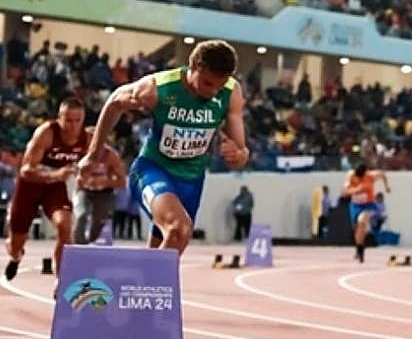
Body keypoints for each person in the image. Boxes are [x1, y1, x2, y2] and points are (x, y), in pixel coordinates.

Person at [78, 40, 249, 256]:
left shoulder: (231, 92)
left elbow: (242, 154)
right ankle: (150, 286)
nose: (214, 91)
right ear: (193, 67)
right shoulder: (157, 89)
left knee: (166, 249)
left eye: (219, 85)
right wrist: (93, 154)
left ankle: (143, 287)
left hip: (192, 181)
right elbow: (114, 102)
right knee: (179, 229)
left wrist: (236, 155)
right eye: (207, 83)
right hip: (152, 170)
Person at [4, 98, 88, 280]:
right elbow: (26, 170)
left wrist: (87, 175)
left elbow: (96, 162)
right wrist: (55, 175)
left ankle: (62, 279)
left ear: (83, 120)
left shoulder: (87, 138)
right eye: (68, 120)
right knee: (16, 243)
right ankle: (16, 256)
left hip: (55, 188)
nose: (73, 126)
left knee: (65, 225)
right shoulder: (46, 133)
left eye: (77, 121)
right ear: (59, 118)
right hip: (30, 187)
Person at [72, 138, 126, 245]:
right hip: (85, 190)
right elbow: (77, 177)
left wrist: (105, 182)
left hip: (104, 192)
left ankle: (90, 240)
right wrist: (81, 182)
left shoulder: (111, 156)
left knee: (98, 222)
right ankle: (79, 245)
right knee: (81, 215)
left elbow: (122, 182)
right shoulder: (81, 153)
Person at [342, 163, 390, 262]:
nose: (359, 178)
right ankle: (359, 248)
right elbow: (344, 192)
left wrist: (387, 187)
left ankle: (361, 252)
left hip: (368, 204)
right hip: (355, 205)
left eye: (361, 177)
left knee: (362, 221)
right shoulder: (351, 175)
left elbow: (382, 175)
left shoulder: (371, 176)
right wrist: (356, 189)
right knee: (357, 229)